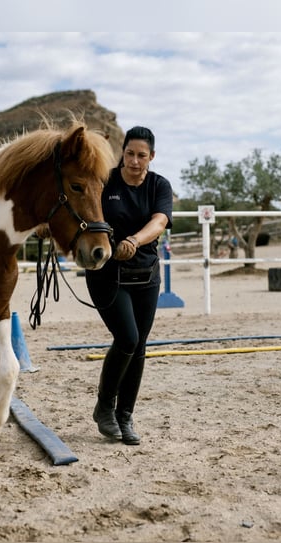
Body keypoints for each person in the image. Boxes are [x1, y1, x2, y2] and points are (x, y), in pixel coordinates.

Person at [85, 126, 173, 445]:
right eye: (130, 154)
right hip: (106, 274)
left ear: (151, 157)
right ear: (122, 153)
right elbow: (79, 207)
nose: (135, 161)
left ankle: (125, 415)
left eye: (142, 155)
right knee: (127, 338)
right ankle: (105, 408)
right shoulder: (105, 181)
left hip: (146, 275)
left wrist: (135, 240)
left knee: (139, 346)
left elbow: (160, 221)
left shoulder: (158, 185)